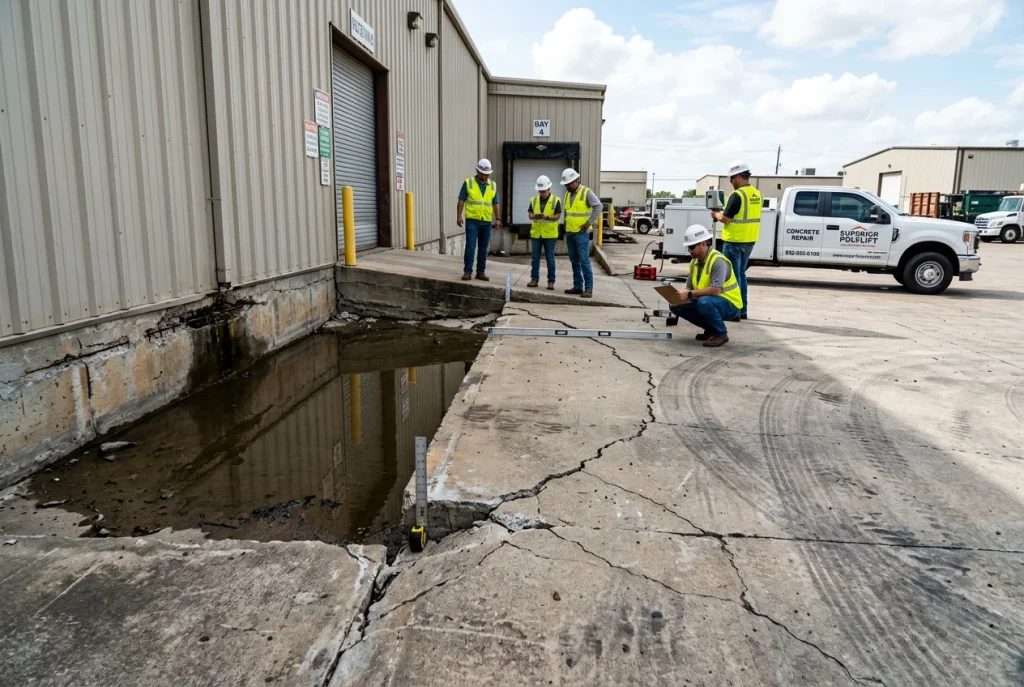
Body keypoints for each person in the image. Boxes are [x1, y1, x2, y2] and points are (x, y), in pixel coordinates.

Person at [668, 225, 743, 348]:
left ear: (703, 244)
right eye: (688, 247)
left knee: (704, 302)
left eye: (691, 247)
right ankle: (711, 329)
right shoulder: (694, 263)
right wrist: (679, 295)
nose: (689, 250)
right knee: (676, 305)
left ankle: (721, 334)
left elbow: (715, 290)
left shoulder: (718, 260)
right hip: (711, 301)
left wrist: (689, 294)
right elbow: (689, 287)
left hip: (730, 304)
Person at [711, 162, 762, 320]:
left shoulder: (737, 195)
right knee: (741, 274)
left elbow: (726, 218)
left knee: (733, 277)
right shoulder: (756, 194)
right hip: (750, 240)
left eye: (731, 178)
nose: (731, 181)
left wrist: (716, 215)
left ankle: (735, 310)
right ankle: (743, 309)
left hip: (734, 240)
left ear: (739, 177)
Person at [456, 158, 501, 281]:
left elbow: (495, 203)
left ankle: (480, 272)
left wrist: (498, 218)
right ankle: (467, 271)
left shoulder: (493, 185)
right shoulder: (468, 183)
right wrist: (459, 216)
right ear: (477, 171)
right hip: (472, 220)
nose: (486, 177)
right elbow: (461, 200)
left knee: (483, 248)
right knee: (470, 246)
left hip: (486, 221)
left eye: (488, 174)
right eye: (483, 174)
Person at [560, 168, 602, 299]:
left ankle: (588, 289)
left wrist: (588, 223)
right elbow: (568, 212)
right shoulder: (567, 195)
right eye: (566, 184)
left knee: (584, 260)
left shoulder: (586, 192)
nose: (568, 186)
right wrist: (565, 225)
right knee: (574, 260)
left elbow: (599, 206)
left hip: (581, 233)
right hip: (570, 232)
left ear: (577, 181)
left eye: (569, 184)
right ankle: (578, 286)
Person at [527, 175, 561, 290]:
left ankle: (551, 281)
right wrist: (535, 216)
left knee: (550, 258)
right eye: (540, 191)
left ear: (549, 189)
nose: (542, 193)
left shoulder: (556, 200)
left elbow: (557, 216)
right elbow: (530, 215)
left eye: (544, 191)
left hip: (550, 234)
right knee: (535, 258)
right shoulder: (533, 200)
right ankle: (534, 279)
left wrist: (547, 217)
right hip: (536, 234)